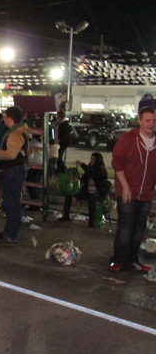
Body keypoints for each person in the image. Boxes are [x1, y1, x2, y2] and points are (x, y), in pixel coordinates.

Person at [108, 106, 156, 273]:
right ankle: (118, 260)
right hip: (128, 192)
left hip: (146, 194)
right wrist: (125, 187)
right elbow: (117, 163)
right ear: (140, 121)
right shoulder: (128, 139)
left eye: (154, 121)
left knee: (138, 230)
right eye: (148, 120)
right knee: (125, 229)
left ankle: (132, 260)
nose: (151, 124)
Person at [0, 106, 30, 243]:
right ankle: (10, 232)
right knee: (12, 202)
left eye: (5, 116)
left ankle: (10, 234)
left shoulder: (15, 134)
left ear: (10, 118)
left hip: (13, 171)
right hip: (14, 170)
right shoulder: (19, 132)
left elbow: (11, 154)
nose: (4, 119)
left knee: (12, 204)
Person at [59, 152, 110, 227]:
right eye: (91, 159)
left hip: (98, 193)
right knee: (69, 193)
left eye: (93, 159)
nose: (91, 161)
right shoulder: (90, 169)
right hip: (87, 192)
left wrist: (82, 165)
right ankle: (66, 214)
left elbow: (93, 173)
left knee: (92, 199)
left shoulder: (101, 170)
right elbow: (84, 178)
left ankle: (92, 221)